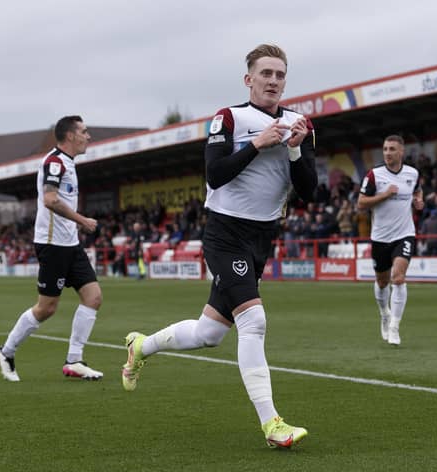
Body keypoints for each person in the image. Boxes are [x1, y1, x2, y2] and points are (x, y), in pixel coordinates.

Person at [120, 44, 317, 448]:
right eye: (266, 73)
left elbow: (309, 192)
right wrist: (257, 144)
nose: (273, 81)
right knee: (254, 321)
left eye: (280, 74)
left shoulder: (301, 123)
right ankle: (272, 425)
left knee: (209, 332)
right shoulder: (229, 118)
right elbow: (215, 174)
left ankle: (142, 345)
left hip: (262, 237)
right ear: (249, 79)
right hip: (225, 233)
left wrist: (295, 147)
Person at [0, 116, 103, 382]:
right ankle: (6, 352)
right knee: (46, 308)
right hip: (52, 245)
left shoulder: (69, 163)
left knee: (94, 297)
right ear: (70, 136)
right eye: (84, 132)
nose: (88, 136)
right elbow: (51, 200)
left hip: (70, 243)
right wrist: (82, 220)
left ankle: (74, 361)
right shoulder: (54, 162)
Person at [357, 135, 424, 346]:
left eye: (392, 149)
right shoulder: (374, 175)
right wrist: (384, 195)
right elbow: (361, 203)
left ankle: (394, 326)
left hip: (404, 234)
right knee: (382, 281)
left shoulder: (412, 174)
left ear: (401, 151)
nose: (387, 153)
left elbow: (417, 189)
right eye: (385, 149)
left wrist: (419, 199)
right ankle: (384, 314)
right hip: (380, 238)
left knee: (398, 277)